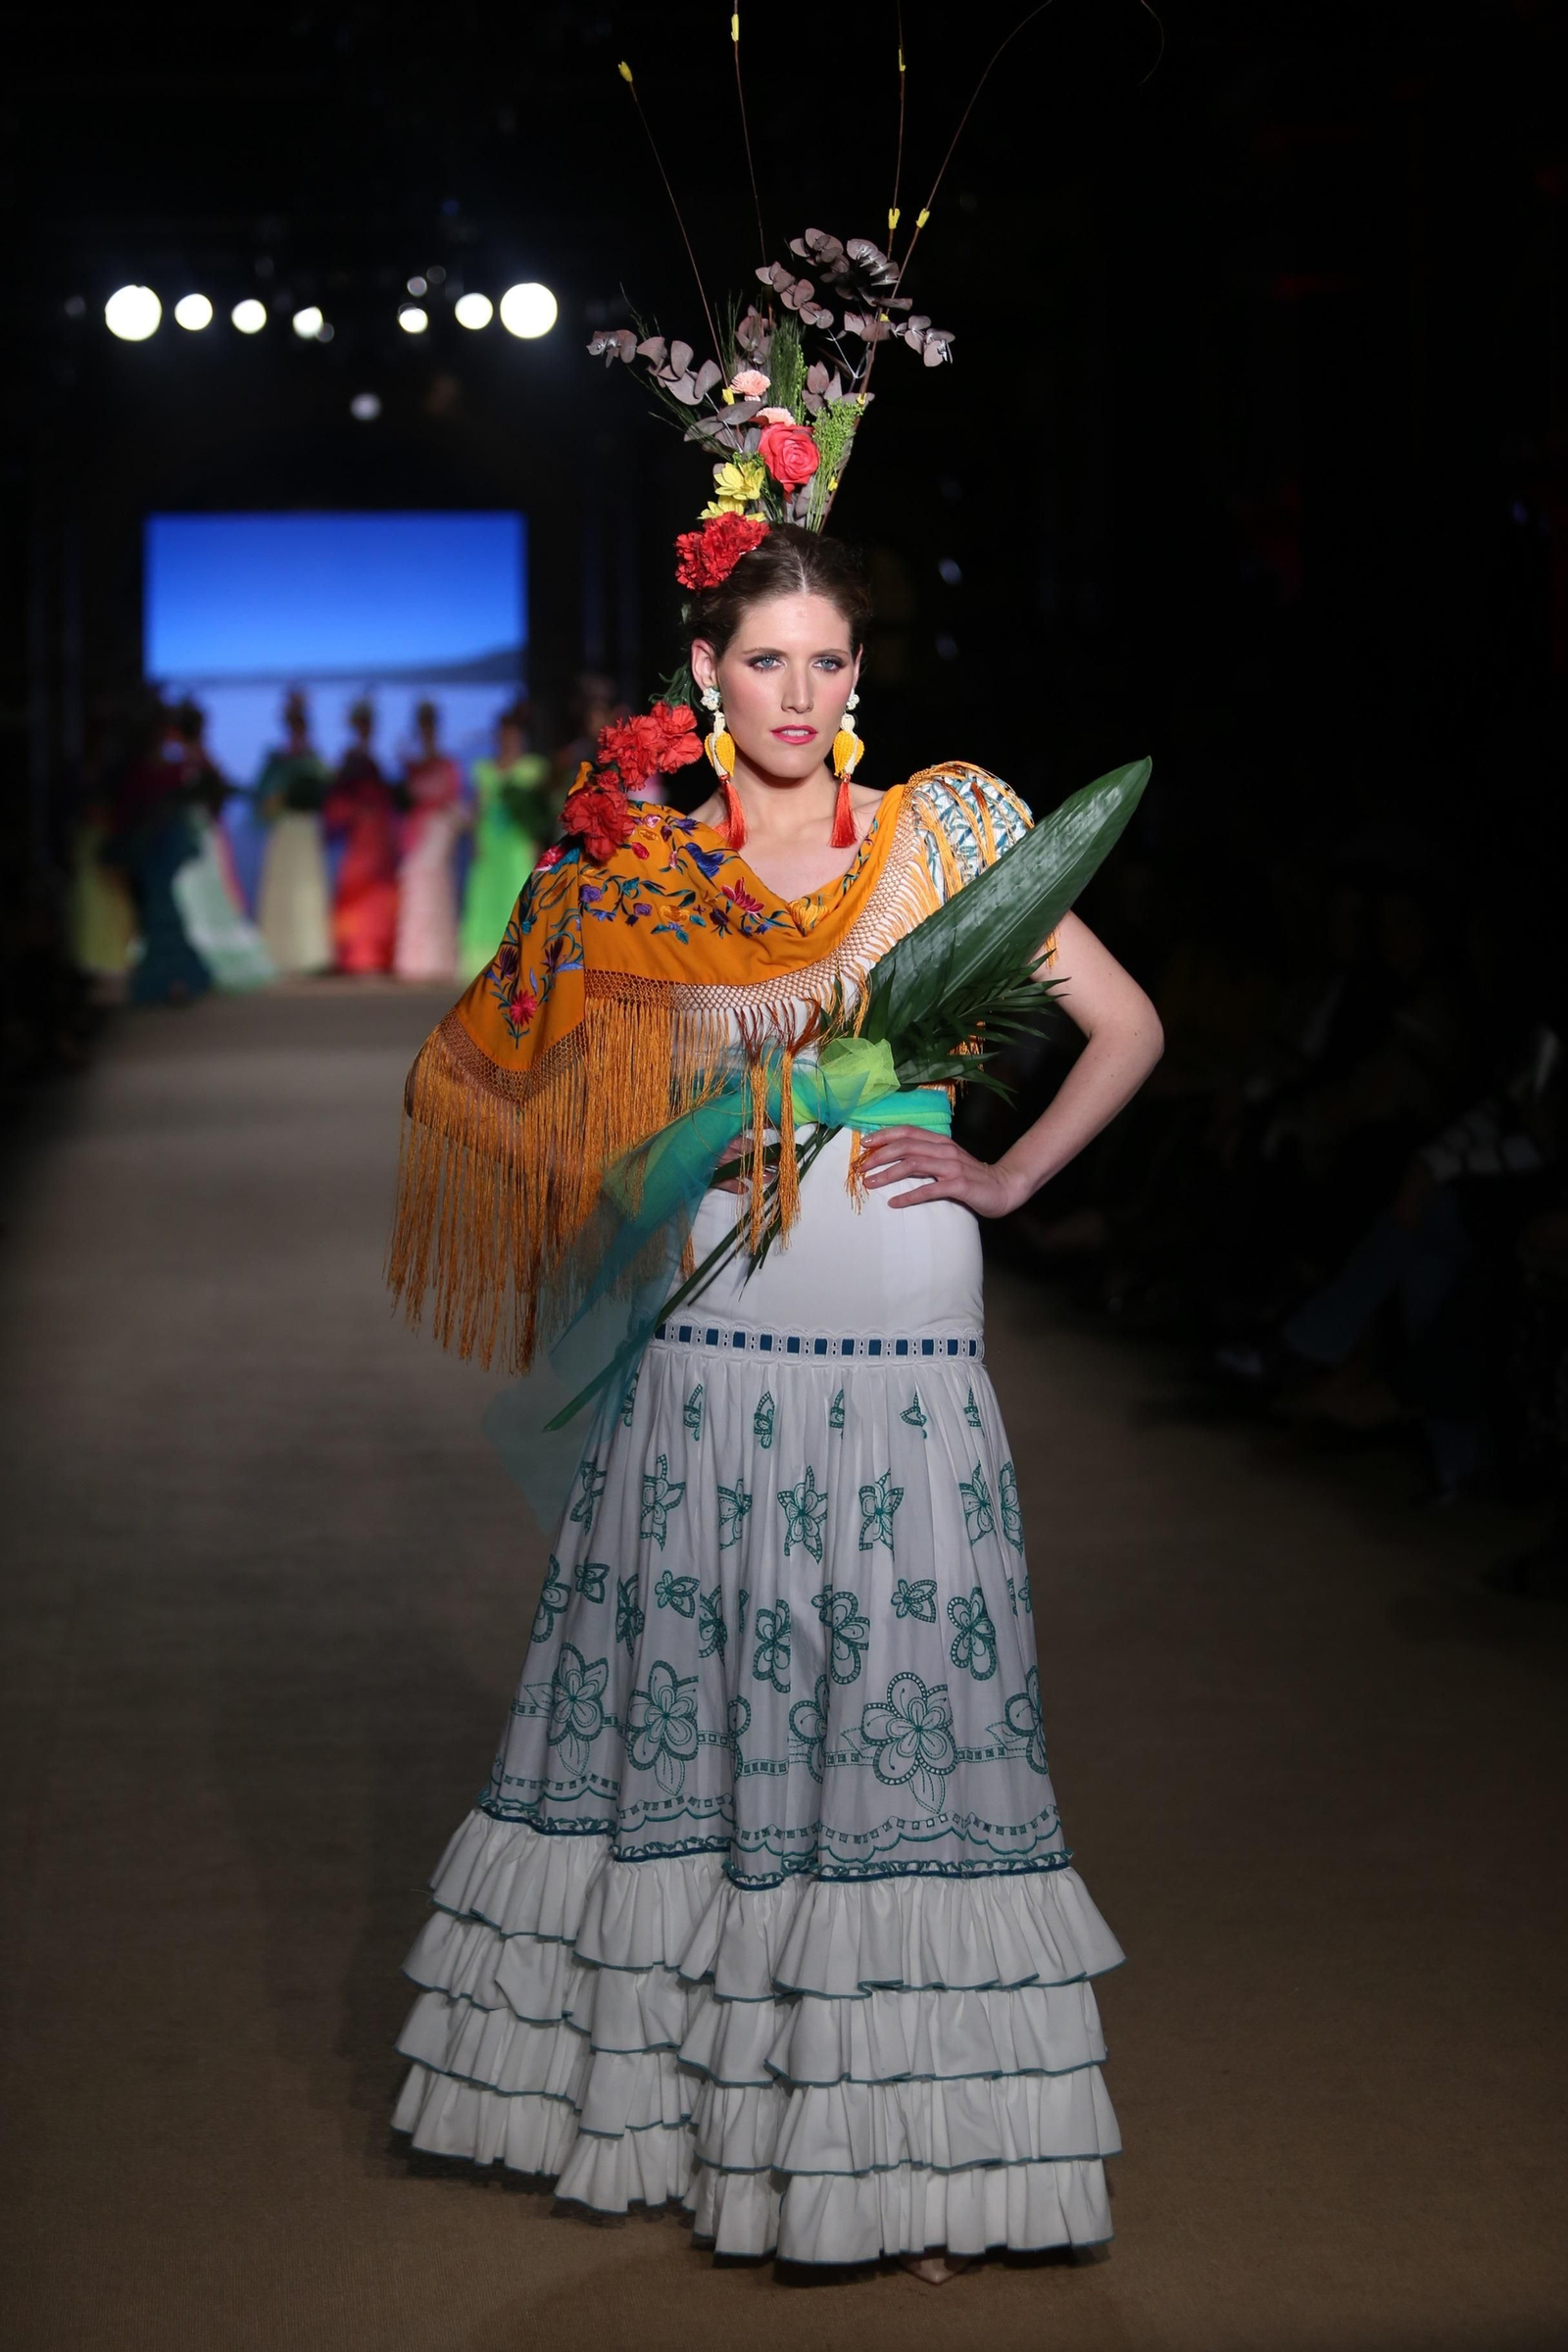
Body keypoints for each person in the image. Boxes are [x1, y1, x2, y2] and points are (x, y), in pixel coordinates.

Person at [387, 508, 1163, 2278]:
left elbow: (1126, 1026)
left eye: (827, 660)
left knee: (890, 1686)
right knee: (719, 1685)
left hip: (897, 1316)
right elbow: (521, 1096)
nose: (799, 692)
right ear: (707, 681)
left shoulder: (948, 832)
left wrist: (1015, 1179)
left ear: (861, 676)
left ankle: (919, 2158)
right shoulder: (641, 868)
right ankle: (693, 2116)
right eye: (764, 662)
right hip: (712, 1334)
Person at [166, 700, 274, 992]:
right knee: (197, 895)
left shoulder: (192, 760)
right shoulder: (194, 760)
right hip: (196, 835)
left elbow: (215, 790)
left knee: (201, 895)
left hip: (198, 834)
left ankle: (201, 967)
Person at [458, 701, 552, 982]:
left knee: (517, 895)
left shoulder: (533, 769)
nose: (509, 741)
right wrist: (474, 837)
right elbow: (478, 807)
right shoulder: (484, 770)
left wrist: (537, 840)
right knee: (486, 898)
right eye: (504, 736)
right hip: (491, 842)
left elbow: (539, 811)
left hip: (517, 843)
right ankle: (481, 961)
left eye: (514, 736)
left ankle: (519, 959)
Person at [255, 691, 332, 976]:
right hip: (285, 828)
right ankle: (280, 953)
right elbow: (262, 797)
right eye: (293, 723)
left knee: (307, 889)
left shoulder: (314, 759)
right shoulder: (277, 759)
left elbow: (327, 791)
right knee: (284, 887)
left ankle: (310, 954)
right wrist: (274, 801)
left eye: (300, 723)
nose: (296, 728)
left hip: (306, 827)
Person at [323, 698, 400, 974]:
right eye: (362, 725)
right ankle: (357, 954)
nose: (365, 730)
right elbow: (341, 798)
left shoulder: (369, 758)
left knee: (377, 891)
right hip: (363, 834)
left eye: (368, 725)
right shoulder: (351, 758)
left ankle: (376, 954)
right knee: (359, 888)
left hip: (377, 834)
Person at [393, 699, 465, 982]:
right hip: (416, 833)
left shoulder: (447, 765)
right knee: (416, 888)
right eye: (422, 726)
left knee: (436, 889)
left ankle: (438, 958)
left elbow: (453, 800)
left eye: (429, 726)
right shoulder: (412, 766)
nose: (426, 732)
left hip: (438, 833)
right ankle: (415, 960)